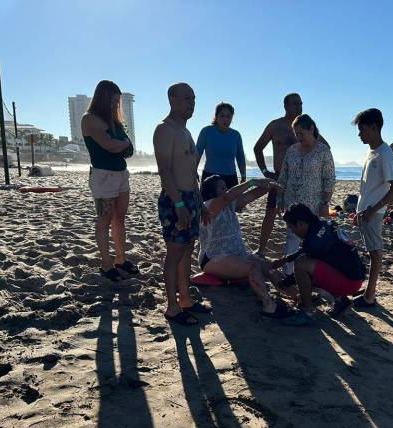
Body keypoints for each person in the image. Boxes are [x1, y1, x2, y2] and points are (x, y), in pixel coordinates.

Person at [153, 83, 211, 326]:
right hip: (174, 198)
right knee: (174, 253)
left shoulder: (186, 132)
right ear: (172, 99)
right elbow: (165, 170)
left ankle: (185, 299)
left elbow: (192, 172)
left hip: (190, 198)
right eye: (187, 98)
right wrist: (178, 204)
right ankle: (172, 307)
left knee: (187, 249)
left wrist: (199, 202)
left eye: (194, 99)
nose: (192, 103)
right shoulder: (165, 129)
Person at [198, 175, 294, 318]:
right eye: (222, 188)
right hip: (213, 257)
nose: (226, 190)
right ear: (212, 192)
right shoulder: (208, 206)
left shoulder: (230, 204)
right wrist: (251, 182)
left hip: (237, 254)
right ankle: (269, 305)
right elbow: (228, 197)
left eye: (226, 187)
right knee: (253, 268)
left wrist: (271, 185)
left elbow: (252, 195)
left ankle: (297, 295)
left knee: (270, 267)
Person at [253, 93, 329, 256]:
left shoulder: (307, 127)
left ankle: (304, 251)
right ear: (285, 106)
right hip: (280, 177)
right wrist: (266, 172)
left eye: (301, 103)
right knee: (271, 211)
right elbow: (257, 148)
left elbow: (325, 148)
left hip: (304, 183)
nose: (299, 107)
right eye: (295, 104)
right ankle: (261, 249)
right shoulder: (275, 126)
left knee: (303, 217)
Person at [269, 204, 367, 326]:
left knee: (301, 264)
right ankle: (341, 301)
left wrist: (283, 284)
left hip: (349, 283)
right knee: (312, 263)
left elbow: (304, 264)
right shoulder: (322, 225)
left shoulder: (313, 241)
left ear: (300, 224)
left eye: (291, 227)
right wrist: (285, 260)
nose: (292, 232)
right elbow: (306, 250)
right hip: (356, 276)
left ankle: (308, 313)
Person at [81, 80, 138, 282]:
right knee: (104, 219)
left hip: (121, 174)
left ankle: (121, 259)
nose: (116, 105)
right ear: (103, 99)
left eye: (118, 101)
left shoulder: (115, 122)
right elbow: (109, 145)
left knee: (119, 218)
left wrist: (120, 144)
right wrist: (120, 144)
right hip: (103, 175)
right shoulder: (90, 119)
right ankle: (106, 264)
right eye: (113, 101)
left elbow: (129, 149)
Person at [276, 114, 335, 281]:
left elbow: (329, 179)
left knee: (312, 240)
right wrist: (280, 200)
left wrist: (325, 203)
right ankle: (288, 274)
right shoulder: (292, 150)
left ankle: (310, 275)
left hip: (313, 204)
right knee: (292, 237)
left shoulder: (323, 151)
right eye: (296, 133)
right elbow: (283, 176)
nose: (298, 137)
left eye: (301, 132)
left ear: (311, 129)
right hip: (291, 202)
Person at [352, 108, 393, 309]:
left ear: (374, 128)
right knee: (371, 251)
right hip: (365, 211)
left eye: (362, 130)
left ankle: (370, 295)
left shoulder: (385, 152)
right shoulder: (371, 151)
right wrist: (360, 210)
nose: (360, 134)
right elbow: (369, 186)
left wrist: (373, 209)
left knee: (375, 253)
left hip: (373, 213)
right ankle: (368, 292)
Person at [196, 102, 246, 188]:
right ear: (216, 116)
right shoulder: (206, 131)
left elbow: (240, 157)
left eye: (228, 116)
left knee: (232, 202)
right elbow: (197, 153)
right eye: (222, 116)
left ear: (232, 118)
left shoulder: (236, 135)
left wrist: (243, 175)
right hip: (210, 177)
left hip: (230, 177)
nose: (225, 119)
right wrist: (193, 171)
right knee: (207, 202)